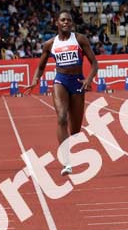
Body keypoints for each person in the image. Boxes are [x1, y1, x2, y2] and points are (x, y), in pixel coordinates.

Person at [23, 11, 98, 175]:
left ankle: (70, 144)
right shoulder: (50, 44)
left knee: (76, 129)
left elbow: (94, 63)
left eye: (69, 20)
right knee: (62, 117)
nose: (66, 22)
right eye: (63, 20)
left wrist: (89, 79)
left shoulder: (80, 39)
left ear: (72, 23)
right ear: (56, 22)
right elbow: (41, 66)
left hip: (78, 82)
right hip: (60, 82)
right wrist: (35, 79)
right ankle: (67, 161)